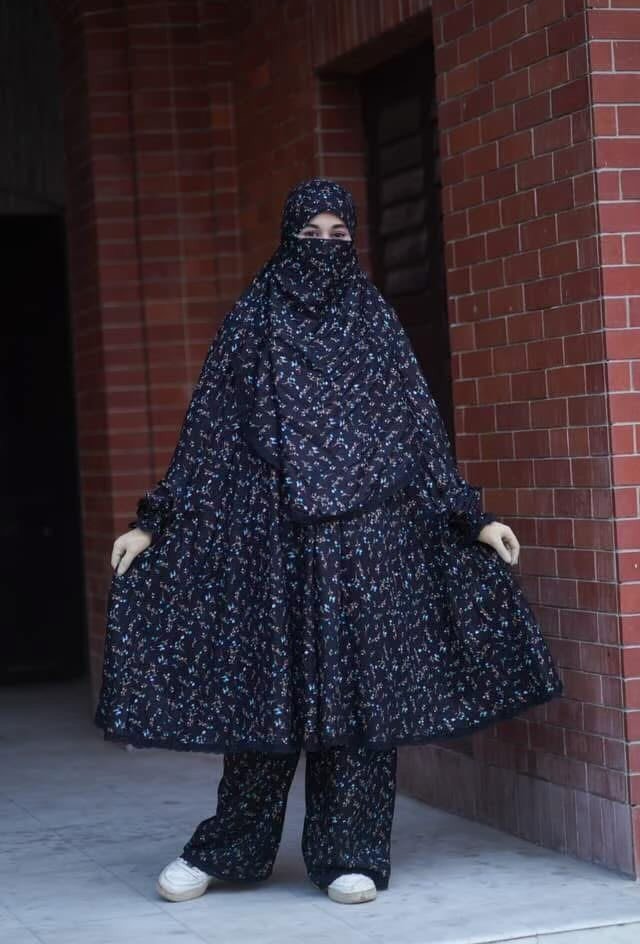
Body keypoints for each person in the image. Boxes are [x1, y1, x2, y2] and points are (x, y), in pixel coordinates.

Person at [94, 178, 563, 906]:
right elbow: (210, 427)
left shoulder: (373, 319)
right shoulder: (253, 317)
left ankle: (352, 853)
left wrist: (468, 515)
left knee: (359, 703)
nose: (323, 247)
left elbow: (416, 424)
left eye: (338, 235)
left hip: (362, 544)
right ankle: (228, 847)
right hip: (271, 540)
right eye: (309, 235)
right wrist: (156, 520)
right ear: (288, 239)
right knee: (264, 700)